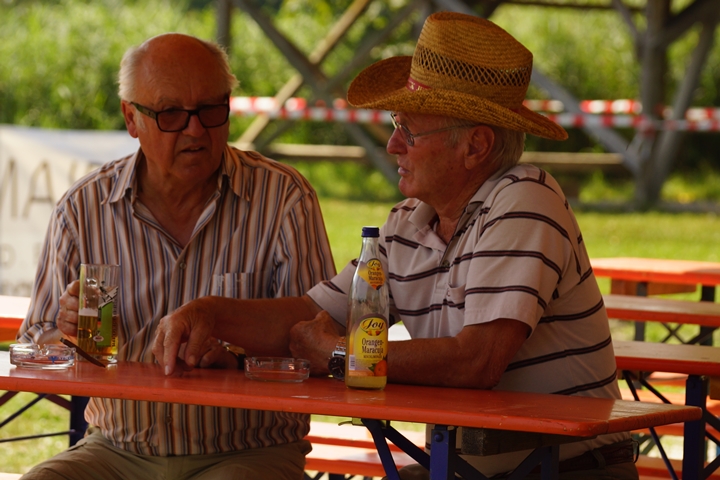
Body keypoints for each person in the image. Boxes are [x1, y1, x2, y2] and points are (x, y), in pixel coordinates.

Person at [153, 13, 637, 480]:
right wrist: (209, 315)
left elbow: (477, 360)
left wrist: (339, 356)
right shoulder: (407, 223)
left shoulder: (525, 199)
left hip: (570, 470)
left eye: (408, 129)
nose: (392, 145)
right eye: (395, 123)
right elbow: (310, 315)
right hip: (467, 468)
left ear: (476, 146)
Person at [16, 33, 336, 480]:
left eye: (211, 109)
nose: (196, 130)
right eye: (171, 114)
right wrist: (69, 340)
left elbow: (322, 342)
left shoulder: (282, 198)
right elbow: (32, 350)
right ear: (132, 118)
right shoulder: (84, 208)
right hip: (117, 451)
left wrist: (238, 362)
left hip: (248, 453)